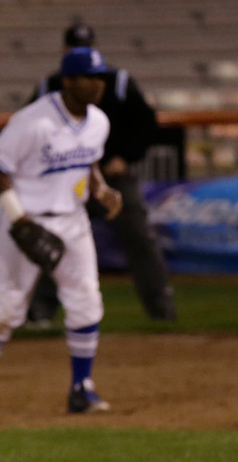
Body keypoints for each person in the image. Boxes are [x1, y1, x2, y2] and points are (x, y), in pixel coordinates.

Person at [0, 46, 123, 418]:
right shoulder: (34, 121)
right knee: (6, 308)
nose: (97, 85)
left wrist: (101, 189)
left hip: (73, 219)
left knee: (86, 299)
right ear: (68, 81)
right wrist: (20, 222)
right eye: (89, 78)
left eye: (101, 78)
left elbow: (89, 160)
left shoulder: (99, 122)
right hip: (24, 217)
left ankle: (82, 388)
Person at [25, 21, 177, 324]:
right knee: (54, 242)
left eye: (85, 48)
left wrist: (125, 156)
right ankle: (40, 311)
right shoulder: (50, 86)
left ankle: (162, 311)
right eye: (74, 48)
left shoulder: (117, 82)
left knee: (140, 239)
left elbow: (145, 123)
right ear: (64, 50)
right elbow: (28, 131)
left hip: (113, 178)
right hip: (66, 182)